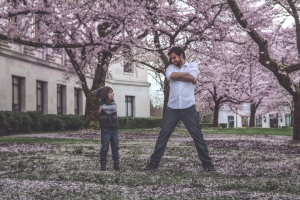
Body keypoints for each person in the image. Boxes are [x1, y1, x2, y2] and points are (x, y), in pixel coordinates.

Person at [144, 47, 215, 172]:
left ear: (181, 55)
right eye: (171, 58)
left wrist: (185, 77)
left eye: (174, 57)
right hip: (172, 108)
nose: (172, 60)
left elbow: (192, 77)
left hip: (188, 107)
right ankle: (153, 163)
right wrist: (186, 76)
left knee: (197, 136)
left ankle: (207, 163)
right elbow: (170, 75)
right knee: (163, 136)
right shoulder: (171, 67)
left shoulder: (192, 65)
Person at [97, 86, 121, 171]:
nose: (112, 94)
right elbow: (109, 110)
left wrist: (103, 108)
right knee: (104, 147)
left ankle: (116, 164)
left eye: (112, 92)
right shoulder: (101, 103)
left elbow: (113, 108)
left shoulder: (112, 103)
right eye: (110, 92)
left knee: (115, 147)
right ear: (105, 94)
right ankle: (103, 164)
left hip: (114, 128)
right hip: (105, 129)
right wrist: (104, 107)